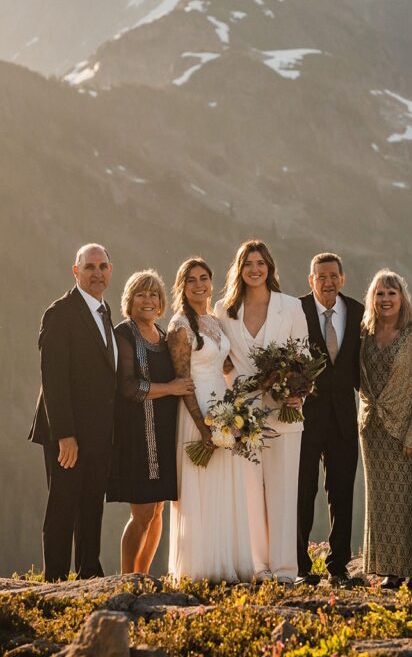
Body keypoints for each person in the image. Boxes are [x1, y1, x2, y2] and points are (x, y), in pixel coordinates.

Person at [214, 239, 308, 584]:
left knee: (283, 490)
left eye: (261, 263)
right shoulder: (224, 309)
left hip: (284, 411)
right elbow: (220, 358)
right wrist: (231, 396)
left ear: (269, 268)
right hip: (243, 415)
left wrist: (296, 392)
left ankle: (285, 570)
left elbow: (302, 357)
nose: (255, 269)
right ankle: (256, 567)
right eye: (248, 263)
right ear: (239, 269)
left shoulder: (291, 306)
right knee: (249, 492)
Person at [29, 243, 118, 581]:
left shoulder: (105, 312)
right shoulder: (61, 312)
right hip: (66, 433)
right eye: (90, 266)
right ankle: (53, 579)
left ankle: (88, 573)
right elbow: (52, 378)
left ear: (110, 271)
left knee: (92, 503)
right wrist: (65, 434)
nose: (97, 273)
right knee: (63, 506)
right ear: (75, 271)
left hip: (97, 433)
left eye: (102, 266)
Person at [167, 257, 254, 582]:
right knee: (200, 488)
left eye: (204, 278)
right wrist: (202, 424)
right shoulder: (180, 326)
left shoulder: (214, 320)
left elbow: (225, 365)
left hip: (223, 408)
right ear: (182, 286)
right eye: (191, 280)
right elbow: (183, 380)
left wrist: (244, 403)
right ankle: (200, 567)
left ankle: (226, 561)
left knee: (224, 484)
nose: (199, 284)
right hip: (197, 412)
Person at [106, 269, 193, 574]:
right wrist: (170, 389)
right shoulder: (123, 334)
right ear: (129, 301)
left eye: (153, 294)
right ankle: (126, 578)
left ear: (161, 302)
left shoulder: (163, 335)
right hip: (136, 435)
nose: (148, 300)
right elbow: (128, 387)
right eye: (140, 294)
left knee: (157, 511)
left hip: (164, 432)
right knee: (142, 511)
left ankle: (142, 576)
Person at [359, 268, 412, 590]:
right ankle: (390, 569)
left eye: (392, 293)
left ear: (402, 298)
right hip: (373, 431)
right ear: (372, 299)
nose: (385, 299)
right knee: (380, 503)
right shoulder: (364, 332)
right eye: (380, 293)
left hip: (408, 430)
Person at [296, 252, 363, 585]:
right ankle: (299, 565)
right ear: (311, 280)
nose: (328, 281)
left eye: (333, 275)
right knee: (302, 491)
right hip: (304, 418)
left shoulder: (358, 312)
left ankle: (339, 565)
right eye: (320, 276)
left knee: (342, 493)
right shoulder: (297, 311)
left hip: (344, 419)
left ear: (342, 278)